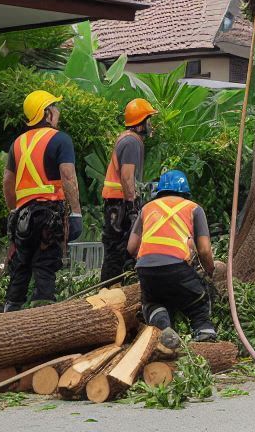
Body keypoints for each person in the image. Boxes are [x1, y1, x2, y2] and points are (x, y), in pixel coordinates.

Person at [2, 91, 83, 310]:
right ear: (47, 113)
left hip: (23, 218)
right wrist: (76, 212)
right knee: (45, 266)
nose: (58, 112)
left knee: (21, 267)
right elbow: (68, 176)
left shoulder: (17, 143)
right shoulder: (60, 139)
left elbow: (7, 181)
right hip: (49, 215)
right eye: (55, 108)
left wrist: (13, 211)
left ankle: (9, 313)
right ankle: (42, 314)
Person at [127, 169, 217, 342]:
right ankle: (205, 332)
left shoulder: (147, 208)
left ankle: (163, 327)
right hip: (177, 268)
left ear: (160, 190)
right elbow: (205, 250)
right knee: (197, 301)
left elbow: (131, 247)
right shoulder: (194, 208)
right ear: (185, 191)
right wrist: (210, 271)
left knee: (152, 302)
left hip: (146, 269)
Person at [100, 97, 158, 283]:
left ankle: (111, 288)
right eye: (148, 120)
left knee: (117, 250)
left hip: (116, 203)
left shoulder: (127, 139)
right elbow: (127, 176)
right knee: (118, 250)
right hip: (120, 203)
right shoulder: (132, 142)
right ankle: (110, 289)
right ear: (140, 123)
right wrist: (132, 205)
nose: (150, 124)